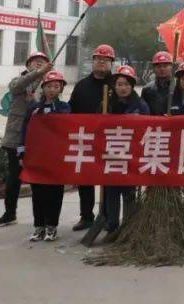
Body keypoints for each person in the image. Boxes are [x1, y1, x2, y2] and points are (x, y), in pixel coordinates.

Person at [0, 50, 52, 228]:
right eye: (35, 61)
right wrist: (38, 73)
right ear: (27, 65)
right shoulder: (18, 81)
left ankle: (42, 217)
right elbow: (15, 88)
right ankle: (9, 213)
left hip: (38, 138)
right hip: (16, 136)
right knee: (14, 177)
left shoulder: (48, 84)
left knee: (38, 179)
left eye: (42, 61)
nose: (39, 63)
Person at [98, 65, 149, 245]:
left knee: (129, 193)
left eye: (126, 84)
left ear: (132, 85)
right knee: (111, 192)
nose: (122, 87)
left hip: (131, 157)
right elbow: (96, 129)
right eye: (119, 84)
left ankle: (129, 227)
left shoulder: (140, 105)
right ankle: (112, 227)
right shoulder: (107, 103)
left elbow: (146, 130)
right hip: (111, 155)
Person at [68, 44, 115, 231]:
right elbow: (70, 112)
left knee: (109, 180)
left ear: (112, 63)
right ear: (93, 62)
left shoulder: (117, 84)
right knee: (85, 179)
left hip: (111, 140)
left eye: (106, 60)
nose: (101, 62)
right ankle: (86, 216)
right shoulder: (81, 86)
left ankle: (108, 216)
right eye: (98, 59)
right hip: (86, 140)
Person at [20, 69, 71, 242]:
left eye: (56, 86)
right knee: (38, 194)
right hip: (37, 158)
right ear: (44, 88)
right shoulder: (34, 108)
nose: (52, 89)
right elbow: (25, 130)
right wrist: (22, 151)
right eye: (49, 86)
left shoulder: (64, 108)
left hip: (56, 159)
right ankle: (38, 226)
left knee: (55, 194)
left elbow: (66, 127)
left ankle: (52, 227)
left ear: (61, 89)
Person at [141, 50, 174, 115]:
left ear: (171, 67)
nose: (162, 69)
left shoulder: (177, 88)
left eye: (165, 65)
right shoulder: (147, 90)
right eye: (158, 66)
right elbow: (143, 112)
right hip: (153, 124)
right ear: (153, 68)